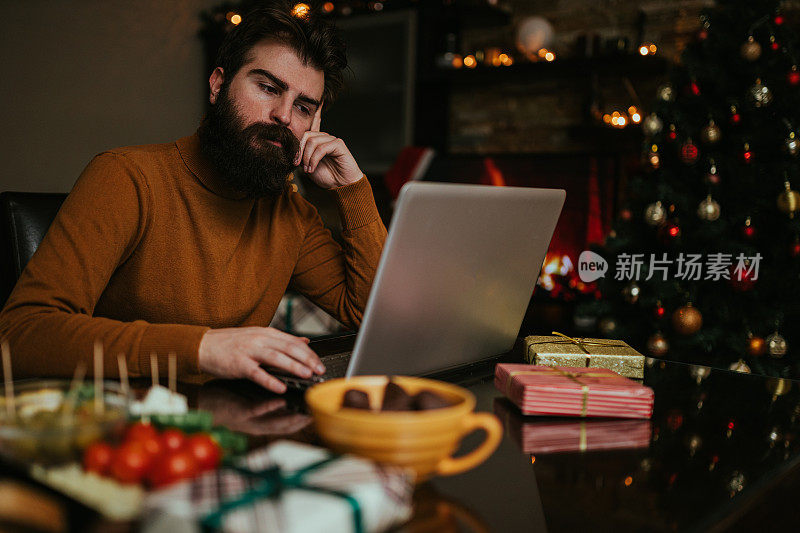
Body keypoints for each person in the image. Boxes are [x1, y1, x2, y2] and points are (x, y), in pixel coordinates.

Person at [0, 5, 387, 393]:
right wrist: (201, 347)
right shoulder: (127, 177)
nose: (284, 116)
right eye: (268, 88)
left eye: (304, 107)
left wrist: (350, 189)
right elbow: (20, 333)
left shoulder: (291, 215)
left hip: (230, 427)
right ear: (218, 85)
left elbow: (368, 314)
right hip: (126, 430)